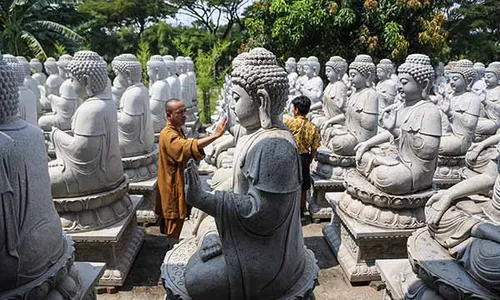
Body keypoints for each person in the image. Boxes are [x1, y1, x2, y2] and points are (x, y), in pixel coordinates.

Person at [156, 98, 226, 242]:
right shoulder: (167, 134)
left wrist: (200, 172)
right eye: (179, 112)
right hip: (172, 186)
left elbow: (185, 156)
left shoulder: (177, 130)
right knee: (174, 222)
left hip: (179, 180)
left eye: (184, 111)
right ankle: (171, 250)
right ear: (169, 115)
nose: (184, 115)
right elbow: (185, 147)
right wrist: (215, 136)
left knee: (180, 218)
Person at [284, 95, 321, 217]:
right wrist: (310, 159)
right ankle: (302, 209)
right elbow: (314, 148)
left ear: (295, 109)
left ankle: (289, 207)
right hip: (304, 157)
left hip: (290, 156)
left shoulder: (289, 122)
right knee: (304, 185)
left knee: (289, 181)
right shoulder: (312, 127)